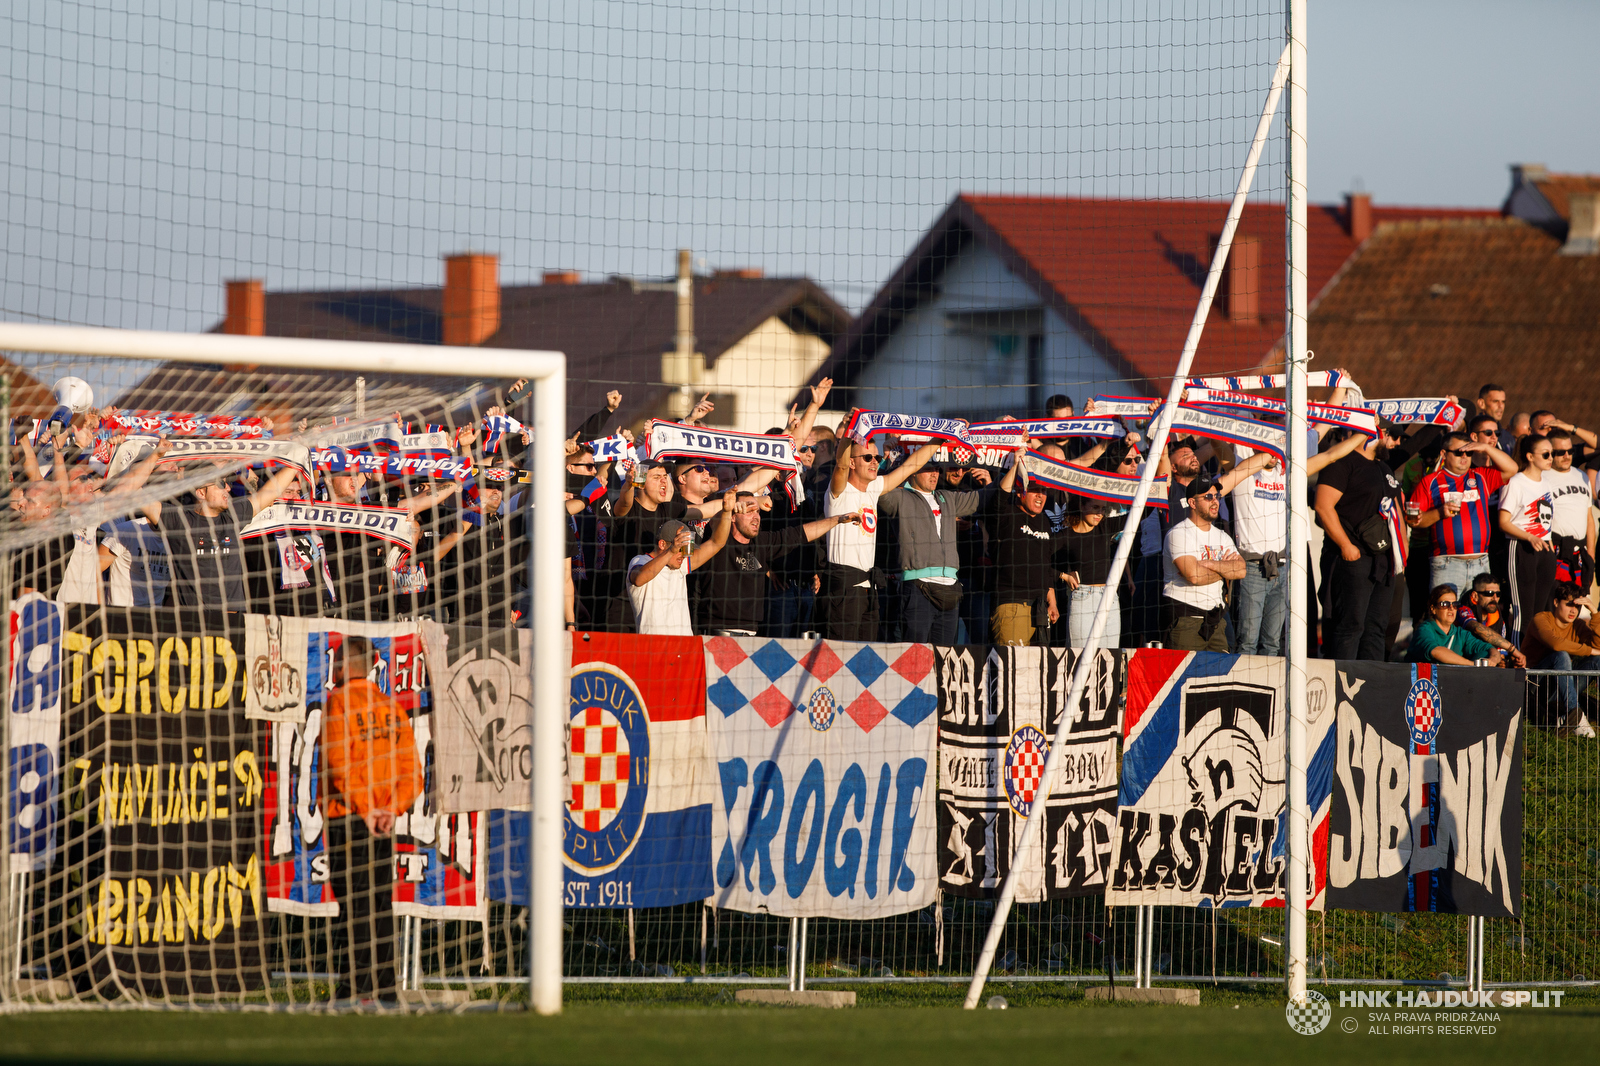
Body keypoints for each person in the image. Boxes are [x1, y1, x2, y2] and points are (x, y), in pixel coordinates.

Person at [321, 635, 422, 1005]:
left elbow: (338, 765)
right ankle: (384, 990)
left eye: (335, 665)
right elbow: (413, 772)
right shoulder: (392, 709)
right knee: (380, 904)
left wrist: (366, 809)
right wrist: (390, 809)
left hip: (349, 819)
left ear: (344, 668)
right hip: (382, 823)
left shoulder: (338, 705)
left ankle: (353, 992)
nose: (332, 671)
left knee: (353, 906)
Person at [820, 429, 937, 640]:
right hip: (843, 589)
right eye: (867, 457)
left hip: (869, 589)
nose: (874, 461)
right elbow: (841, 464)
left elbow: (911, 466)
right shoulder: (839, 489)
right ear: (853, 463)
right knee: (839, 658)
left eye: (876, 457)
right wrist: (850, 431)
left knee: (866, 659)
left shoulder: (873, 488)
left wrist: (941, 438)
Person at [697, 492, 860, 636]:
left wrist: (837, 520)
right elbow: (715, 521)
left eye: (757, 511)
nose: (756, 517)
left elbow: (800, 534)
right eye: (748, 511)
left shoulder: (761, 542)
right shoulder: (717, 541)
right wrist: (727, 509)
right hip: (718, 632)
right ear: (732, 516)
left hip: (751, 633)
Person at [1314, 421, 1409, 660]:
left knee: (1376, 628)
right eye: (1390, 434)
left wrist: (1402, 552)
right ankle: (1341, 686)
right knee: (1350, 626)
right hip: (1352, 558)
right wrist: (1346, 545)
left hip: (1384, 560)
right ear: (1372, 433)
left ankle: (1370, 688)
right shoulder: (1342, 464)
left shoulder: (1384, 468)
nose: (1394, 441)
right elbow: (1323, 507)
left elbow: (1396, 510)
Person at [154, 462, 301, 608]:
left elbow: (269, 492)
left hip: (232, 620)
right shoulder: (178, 519)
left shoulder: (233, 515)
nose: (228, 488)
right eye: (220, 484)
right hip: (192, 621)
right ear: (200, 493)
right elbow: (132, 491)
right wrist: (154, 457)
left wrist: (296, 458)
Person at [877, 460, 985, 643]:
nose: (935, 474)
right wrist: (890, 461)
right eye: (928, 469)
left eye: (936, 469)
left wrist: (1015, 466)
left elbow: (986, 497)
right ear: (912, 471)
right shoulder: (900, 497)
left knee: (943, 660)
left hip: (951, 590)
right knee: (914, 659)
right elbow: (876, 487)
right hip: (917, 588)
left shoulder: (947, 498)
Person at [1405, 431, 1517, 598]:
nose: (1464, 457)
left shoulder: (1480, 476)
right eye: (1458, 452)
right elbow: (1414, 521)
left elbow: (1512, 468)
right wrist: (1439, 513)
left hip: (1481, 561)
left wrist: (1486, 447)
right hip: (1446, 563)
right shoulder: (1430, 481)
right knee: (1445, 617)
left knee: (1479, 618)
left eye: (1469, 452)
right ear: (1443, 453)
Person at [986, 446, 1060, 646]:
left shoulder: (1045, 521)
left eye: (1044, 491)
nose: (1040, 496)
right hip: (1011, 606)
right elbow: (999, 498)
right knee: (1012, 669)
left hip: (1039, 609)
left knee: (1035, 672)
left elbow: (1045, 563)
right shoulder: (1006, 513)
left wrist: (1051, 601)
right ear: (1019, 492)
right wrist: (1016, 464)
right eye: (1035, 490)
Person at [1163, 476, 1244, 651]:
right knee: (1183, 677)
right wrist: (1224, 568)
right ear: (1192, 503)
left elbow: (1241, 570)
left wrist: (1210, 564)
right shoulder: (1178, 533)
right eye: (1208, 497)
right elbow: (1194, 576)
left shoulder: (1222, 536)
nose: (1215, 502)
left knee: (1221, 677)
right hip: (1186, 620)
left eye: (1217, 497)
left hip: (1216, 621)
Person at [628, 502, 735, 636]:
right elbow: (639, 579)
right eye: (681, 549)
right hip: (653, 649)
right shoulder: (639, 561)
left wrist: (726, 511)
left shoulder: (680, 564)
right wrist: (672, 551)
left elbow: (716, 543)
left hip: (684, 649)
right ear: (662, 544)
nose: (684, 555)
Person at [1499, 434, 1559, 644]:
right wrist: (1529, 536)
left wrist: (1548, 536)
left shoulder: (1547, 482)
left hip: (1544, 550)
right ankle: (1518, 663)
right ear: (1530, 456)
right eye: (1546, 454)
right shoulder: (1516, 482)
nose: (1551, 457)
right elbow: (1504, 521)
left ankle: (1535, 664)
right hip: (1522, 548)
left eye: (1552, 453)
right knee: (1522, 612)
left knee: (1540, 613)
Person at [1520, 582, 1600, 735]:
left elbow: (1599, 647)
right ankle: (1575, 714)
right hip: (1535, 687)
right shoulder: (1541, 619)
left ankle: (1571, 717)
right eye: (1569, 604)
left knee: (1597, 661)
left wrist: (1594, 613)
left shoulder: (1578, 625)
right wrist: (1589, 650)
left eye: (1577, 606)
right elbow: (1556, 644)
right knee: (1561, 656)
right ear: (1556, 602)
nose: (1573, 610)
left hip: (1560, 688)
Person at [1055, 497, 1123, 648]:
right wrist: (1063, 576)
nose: (1100, 513)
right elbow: (1041, 560)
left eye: (1103, 509)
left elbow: (1141, 514)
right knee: (1079, 658)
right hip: (1082, 598)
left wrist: (1157, 488)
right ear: (1081, 505)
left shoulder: (1104, 527)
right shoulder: (1066, 536)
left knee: (1109, 658)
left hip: (1109, 598)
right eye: (1096, 508)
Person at [1407, 584, 1518, 667]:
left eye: (1454, 604)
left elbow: (1489, 648)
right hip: (1422, 686)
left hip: (1449, 684)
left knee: (1485, 653)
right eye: (1445, 604)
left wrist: (1493, 659)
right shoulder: (1425, 629)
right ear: (1433, 609)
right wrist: (1471, 664)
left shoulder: (1460, 633)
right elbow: (1435, 651)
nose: (1451, 608)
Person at [1544, 428, 1597, 592]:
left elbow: (1589, 518)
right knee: (1554, 607)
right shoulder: (1542, 476)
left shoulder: (1581, 476)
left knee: (1575, 605)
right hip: (1556, 551)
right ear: (1550, 452)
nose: (1567, 456)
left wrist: (1591, 556)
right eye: (1560, 452)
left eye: (1570, 451)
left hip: (1580, 554)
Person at [1452, 571, 1519, 659]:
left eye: (1498, 594)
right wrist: (1513, 649)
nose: (1494, 598)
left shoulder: (1498, 617)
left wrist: (1504, 660)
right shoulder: (1462, 609)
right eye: (1489, 593)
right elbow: (1477, 628)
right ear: (1475, 596)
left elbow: (1501, 650)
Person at [1475, 384, 1514, 453]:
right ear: (1481, 403)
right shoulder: (1469, 432)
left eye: (1503, 402)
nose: (1500, 406)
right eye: (1495, 401)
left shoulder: (1508, 439)